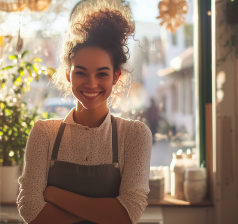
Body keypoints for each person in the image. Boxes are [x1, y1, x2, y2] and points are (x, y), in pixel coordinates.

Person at [17, 2, 152, 224]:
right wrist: (104, 211)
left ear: (115, 78)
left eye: (101, 74)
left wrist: (54, 195)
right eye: (81, 73)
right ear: (69, 76)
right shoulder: (44, 133)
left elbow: (129, 212)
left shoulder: (135, 135)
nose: (91, 84)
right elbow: (30, 209)